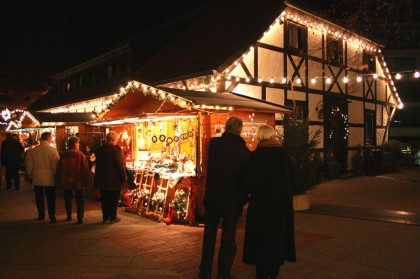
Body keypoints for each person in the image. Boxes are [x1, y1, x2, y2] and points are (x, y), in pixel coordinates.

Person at [199, 116, 251, 279]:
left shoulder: (214, 144)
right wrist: (244, 197)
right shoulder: (244, 151)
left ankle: (205, 270)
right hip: (232, 201)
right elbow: (246, 178)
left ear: (225, 127)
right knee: (228, 238)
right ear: (240, 130)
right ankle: (223, 272)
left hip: (213, 197)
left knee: (209, 235)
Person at [243, 125, 296, 279]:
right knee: (277, 239)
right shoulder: (284, 155)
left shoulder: (256, 156)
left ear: (260, 137)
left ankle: (262, 272)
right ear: (272, 136)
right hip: (280, 207)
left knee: (261, 241)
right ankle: (274, 272)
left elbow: (251, 184)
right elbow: (292, 182)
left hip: (261, 207)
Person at [25, 132, 60, 223]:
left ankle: (41, 215)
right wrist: (56, 175)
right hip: (49, 177)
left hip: (37, 176)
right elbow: (55, 165)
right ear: (48, 138)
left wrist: (30, 175)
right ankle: (52, 216)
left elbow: (29, 165)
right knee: (51, 197)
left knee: (39, 197)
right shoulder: (53, 150)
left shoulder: (33, 151)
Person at [93, 131, 127, 224]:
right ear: (113, 139)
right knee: (114, 199)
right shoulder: (115, 149)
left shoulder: (100, 149)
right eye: (117, 140)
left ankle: (105, 217)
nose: (117, 141)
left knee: (105, 199)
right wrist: (124, 178)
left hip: (103, 179)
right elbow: (120, 165)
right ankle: (113, 217)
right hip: (114, 180)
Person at [55, 136, 90, 224]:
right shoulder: (80, 154)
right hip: (78, 180)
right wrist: (86, 182)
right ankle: (80, 217)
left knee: (67, 198)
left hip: (66, 180)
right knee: (80, 198)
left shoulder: (64, 154)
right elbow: (85, 169)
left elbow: (59, 168)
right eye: (78, 143)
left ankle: (69, 215)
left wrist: (58, 179)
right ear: (75, 144)